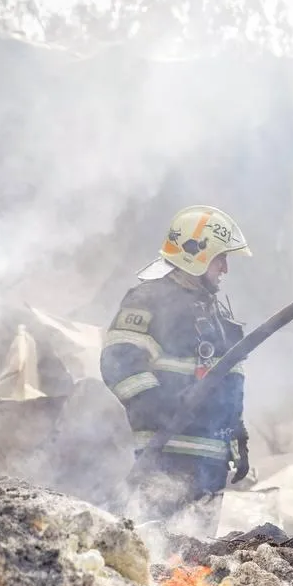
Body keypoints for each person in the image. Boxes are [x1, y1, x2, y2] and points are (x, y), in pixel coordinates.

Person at [101, 205, 252, 536]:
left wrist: (236, 434)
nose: (225, 268)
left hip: (209, 466)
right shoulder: (149, 299)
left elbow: (228, 383)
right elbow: (118, 362)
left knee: (191, 568)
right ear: (195, 256)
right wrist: (162, 408)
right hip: (163, 459)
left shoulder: (219, 317)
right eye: (219, 258)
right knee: (152, 552)